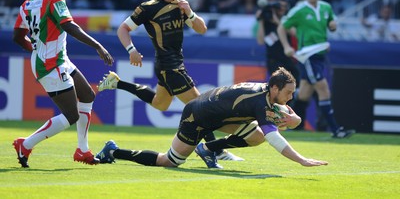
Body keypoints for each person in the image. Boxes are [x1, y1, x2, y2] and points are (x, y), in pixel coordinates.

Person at [97, 0, 242, 161]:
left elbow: (202, 29)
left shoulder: (181, 5)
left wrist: (189, 12)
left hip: (174, 64)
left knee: (160, 104)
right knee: (200, 107)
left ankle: (117, 83)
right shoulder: (147, 8)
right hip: (168, 66)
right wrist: (131, 49)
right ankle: (215, 150)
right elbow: (123, 28)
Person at [95, 67, 329, 169]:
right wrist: (302, 160)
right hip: (197, 116)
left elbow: (289, 117)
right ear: (275, 88)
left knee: (256, 135)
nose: (290, 98)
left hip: (217, 113)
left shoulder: (266, 92)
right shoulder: (260, 102)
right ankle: (113, 151)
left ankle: (208, 149)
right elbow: (275, 139)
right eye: (288, 93)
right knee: (170, 161)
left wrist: (294, 119)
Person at [12, 0, 114, 168]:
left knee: (87, 96)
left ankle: (82, 150)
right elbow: (69, 25)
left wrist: (35, 49)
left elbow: (17, 36)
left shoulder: (27, 3)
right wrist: (98, 46)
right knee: (71, 115)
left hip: (57, 59)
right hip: (50, 63)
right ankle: (26, 144)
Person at [277, 0, 355, 138]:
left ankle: (280, 116)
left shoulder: (326, 7)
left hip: (320, 54)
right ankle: (336, 130)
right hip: (308, 55)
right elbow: (282, 27)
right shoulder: (299, 10)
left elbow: (332, 23)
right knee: (323, 89)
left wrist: (333, 25)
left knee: (304, 94)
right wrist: (286, 46)